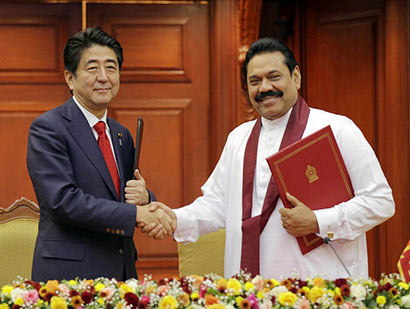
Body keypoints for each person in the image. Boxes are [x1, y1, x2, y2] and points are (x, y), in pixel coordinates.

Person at [146, 38, 395, 279]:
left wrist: (318, 221)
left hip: (321, 284)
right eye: (255, 81)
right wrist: (175, 218)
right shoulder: (238, 138)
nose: (264, 88)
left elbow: (380, 202)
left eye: (274, 77)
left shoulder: (337, 129)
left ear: (295, 76)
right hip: (249, 290)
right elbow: (218, 206)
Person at [27, 27, 173, 282]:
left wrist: (145, 198)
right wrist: (137, 214)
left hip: (122, 273)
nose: (104, 77)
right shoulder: (49, 128)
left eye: (112, 67)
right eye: (92, 68)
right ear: (70, 78)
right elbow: (63, 202)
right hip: (69, 278)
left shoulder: (121, 134)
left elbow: (121, 195)